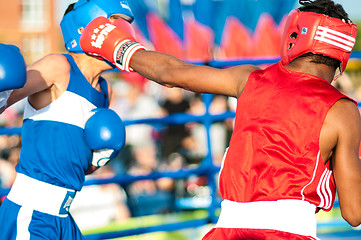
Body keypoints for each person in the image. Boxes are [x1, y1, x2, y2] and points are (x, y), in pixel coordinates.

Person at [80, 0, 361, 239]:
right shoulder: (342, 111)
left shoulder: (249, 79)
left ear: (293, 35)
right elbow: (354, 212)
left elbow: (171, 72)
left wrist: (116, 45)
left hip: (226, 231)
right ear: (341, 54)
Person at [0, 0, 130, 239]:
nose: (124, 34)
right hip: (32, 213)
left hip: (64, 218)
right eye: (116, 24)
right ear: (88, 28)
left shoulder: (104, 90)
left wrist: (99, 157)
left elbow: (80, 167)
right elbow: (4, 100)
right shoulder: (59, 66)